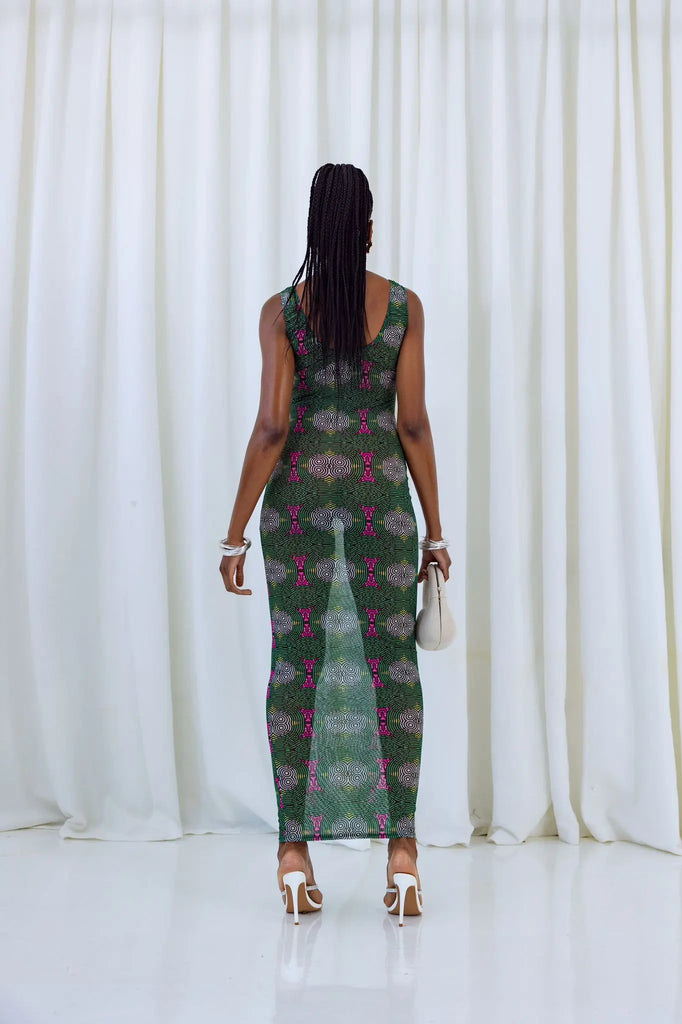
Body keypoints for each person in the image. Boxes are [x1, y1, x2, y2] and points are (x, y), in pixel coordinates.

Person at [219, 163, 450, 925]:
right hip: (382, 504)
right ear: (371, 229)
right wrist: (436, 531)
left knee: (298, 664)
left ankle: (293, 855)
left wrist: (233, 535)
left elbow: (272, 426)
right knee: (393, 670)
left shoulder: (282, 312)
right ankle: (404, 858)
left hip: (297, 513)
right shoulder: (405, 309)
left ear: (314, 229)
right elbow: (410, 423)